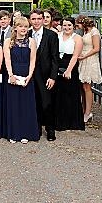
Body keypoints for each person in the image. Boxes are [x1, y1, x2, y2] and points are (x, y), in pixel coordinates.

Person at [4, 16, 39, 144]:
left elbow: (32, 60)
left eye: (25, 26)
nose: (23, 29)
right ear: (15, 27)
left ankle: (25, 133)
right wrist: (11, 75)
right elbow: (7, 59)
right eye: (21, 26)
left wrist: (30, 75)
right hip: (13, 74)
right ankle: (13, 133)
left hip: (26, 75)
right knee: (13, 105)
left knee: (26, 105)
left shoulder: (31, 41)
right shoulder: (8, 41)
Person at [29, 9, 59, 141]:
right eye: (33, 19)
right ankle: (36, 129)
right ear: (30, 20)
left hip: (46, 75)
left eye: (38, 19)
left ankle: (50, 129)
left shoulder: (51, 35)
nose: (36, 21)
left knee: (47, 103)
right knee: (32, 102)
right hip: (29, 74)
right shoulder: (27, 33)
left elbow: (55, 58)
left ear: (43, 20)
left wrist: (53, 77)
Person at [55, 17, 85, 131]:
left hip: (70, 65)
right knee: (59, 94)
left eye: (69, 25)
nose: (67, 28)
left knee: (70, 94)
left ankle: (71, 122)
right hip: (58, 63)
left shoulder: (77, 38)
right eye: (65, 25)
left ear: (73, 26)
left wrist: (68, 71)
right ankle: (59, 121)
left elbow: (75, 56)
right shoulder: (57, 35)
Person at [78, 17, 102, 123]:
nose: (77, 27)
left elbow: (96, 48)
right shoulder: (85, 31)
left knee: (87, 86)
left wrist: (85, 56)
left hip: (90, 59)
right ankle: (84, 110)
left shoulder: (94, 31)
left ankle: (88, 112)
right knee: (83, 86)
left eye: (77, 24)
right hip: (84, 58)